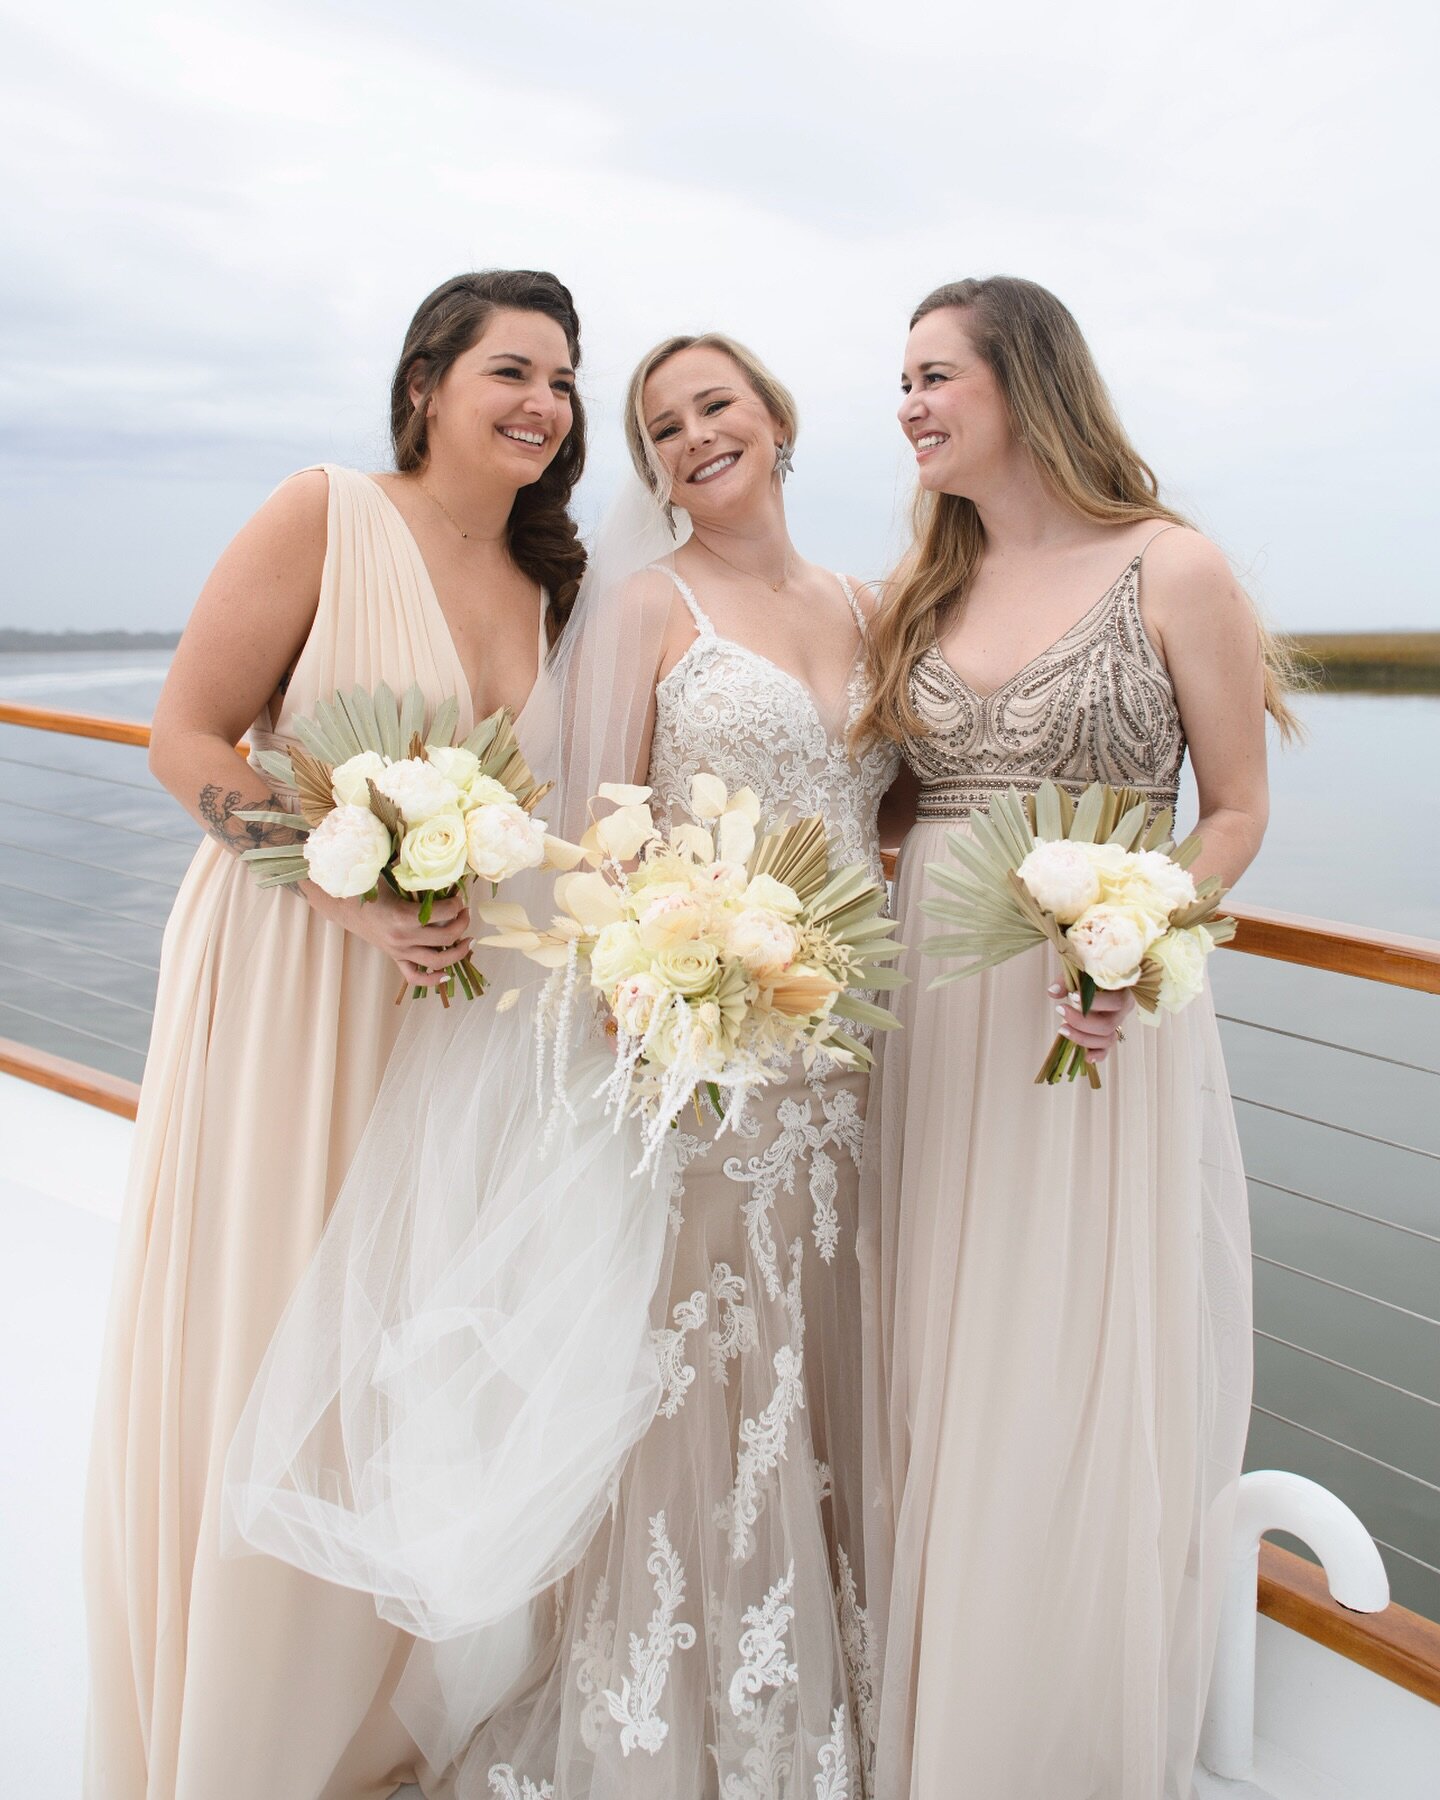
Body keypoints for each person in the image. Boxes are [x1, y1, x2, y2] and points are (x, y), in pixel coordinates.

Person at [226, 331, 899, 1799]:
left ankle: (820, 1678)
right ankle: (674, 1712)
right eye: (662, 427)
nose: (691, 438)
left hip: (853, 1068)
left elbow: (882, 819)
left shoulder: (870, 603)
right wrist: (663, 972)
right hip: (704, 1058)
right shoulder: (645, 607)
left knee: (827, 1360)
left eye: (716, 406)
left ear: (778, 418)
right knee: (708, 1374)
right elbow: (584, 836)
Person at [83, 268, 587, 1800]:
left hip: (457, 1012)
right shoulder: (326, 513)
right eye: (512, 368)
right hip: (300, 981)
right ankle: (246, 1728)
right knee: (277, 1319)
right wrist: (342, 890)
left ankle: (375, 1718)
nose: (542, 404)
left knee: (411, 1345)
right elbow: (186, 735)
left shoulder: (552, 582)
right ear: (426, 380)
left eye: (562, 382)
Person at [857, 275, 1291, 1799]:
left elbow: (1234, 809)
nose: (906, 404)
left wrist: (1140, 929)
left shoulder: (1172, 567)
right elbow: (887, 809)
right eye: (899, 381)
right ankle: (930, 1679)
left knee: (1066, 1342)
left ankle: (1041, 1724)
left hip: (1089, 1000)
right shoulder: (922, 585)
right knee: (933, 1334)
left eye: (933, 376)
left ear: (1026, 381)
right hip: (930, 1011)